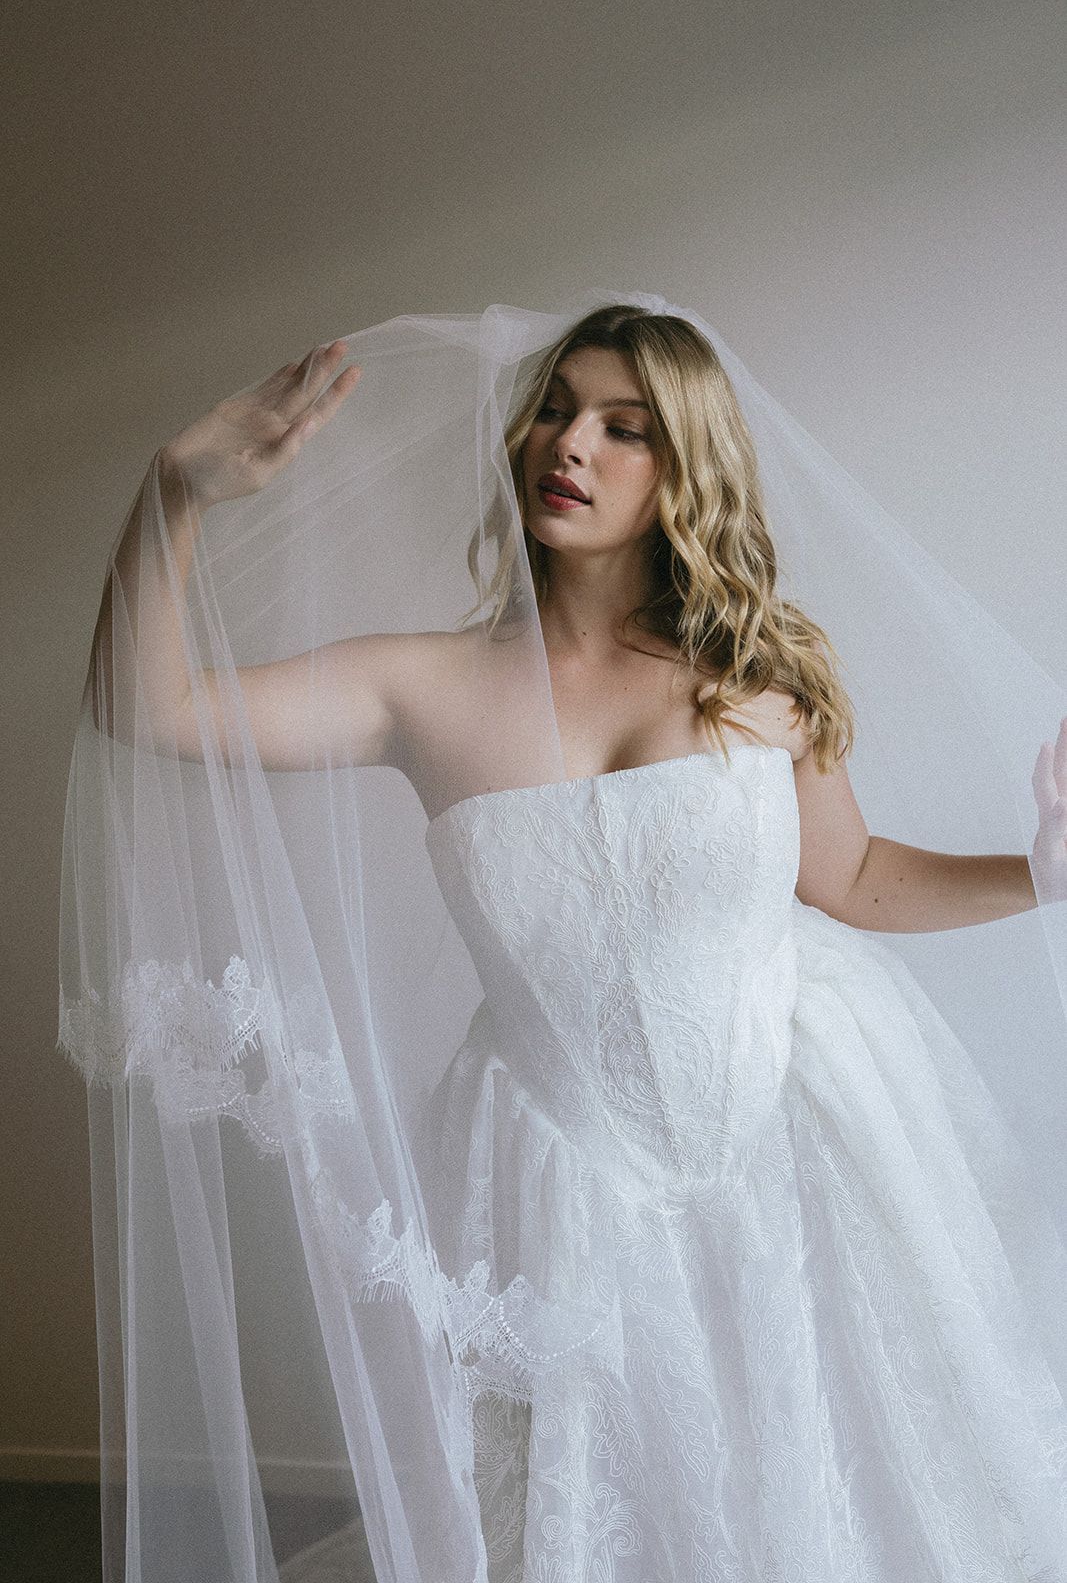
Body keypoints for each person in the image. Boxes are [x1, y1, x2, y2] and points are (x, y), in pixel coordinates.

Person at [60, 300, 1067, 1581]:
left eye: (621, 426)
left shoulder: (756, 675)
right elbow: (145, 704)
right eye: (553, 409)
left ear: (681, 468)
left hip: (794, 1134)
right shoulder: (418, 686)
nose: (568, 443)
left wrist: (1040, 875)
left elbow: (855, 877)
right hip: (558, 1172)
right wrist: (176, 493)